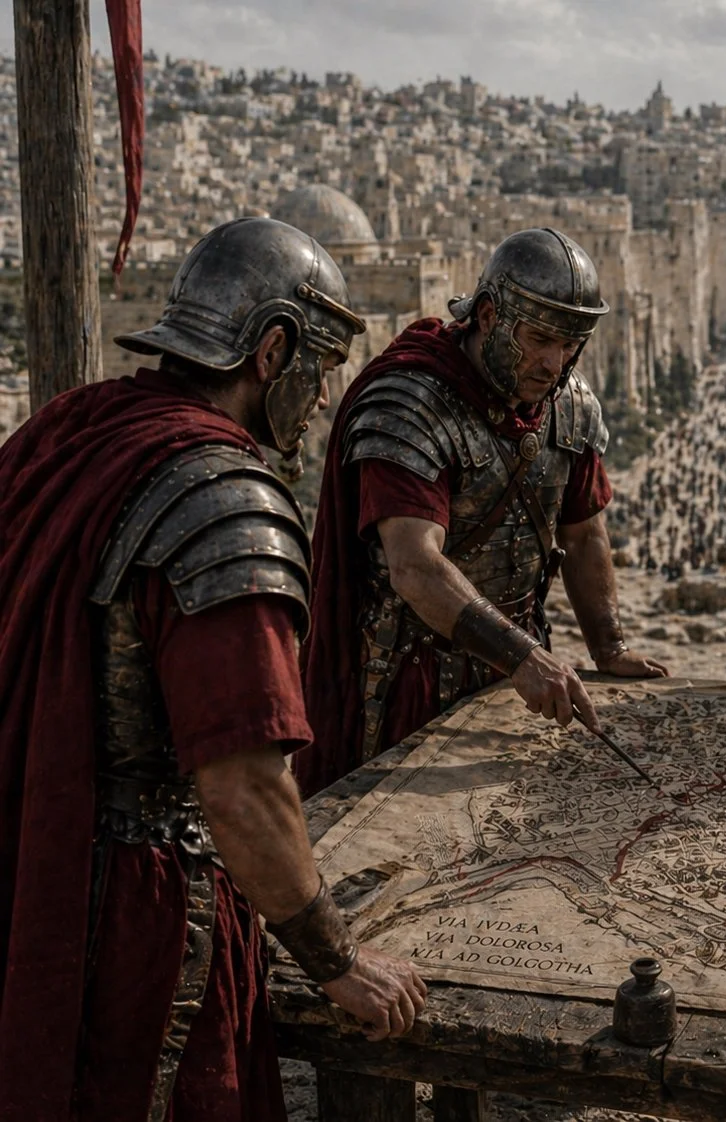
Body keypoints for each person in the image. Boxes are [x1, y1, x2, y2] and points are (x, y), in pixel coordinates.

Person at [0, 218, 426, 1121]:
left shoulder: (65, 430)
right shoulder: (224, 503)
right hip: (139, 915)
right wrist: (339, 961)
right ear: (272, 350)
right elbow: (243, 784)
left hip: (32, 851)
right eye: (320, 364)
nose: (321, 395)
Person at [300, 227, 666, 793]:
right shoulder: (411, 406)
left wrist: (608, 646)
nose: (554, 362)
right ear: (490, 316)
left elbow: (584, 534)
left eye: (570, 344)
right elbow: (414, 564)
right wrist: (523, 657)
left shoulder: (569, 405)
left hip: (515, 667)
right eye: (539, 338)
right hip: (411, 672)